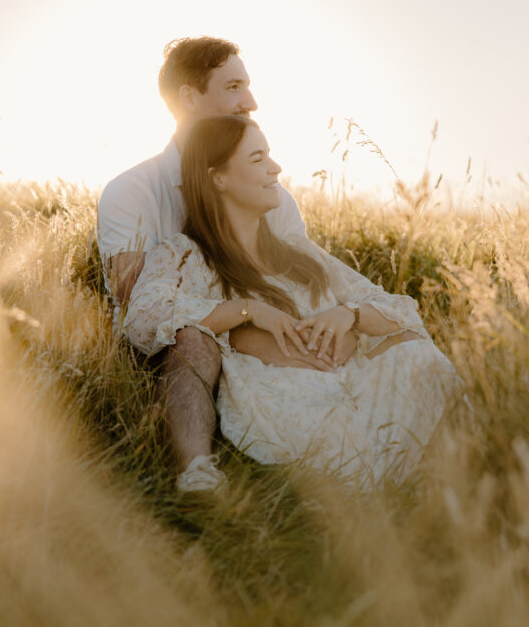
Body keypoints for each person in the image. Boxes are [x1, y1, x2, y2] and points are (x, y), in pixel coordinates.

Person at [123, 115, 462, 492]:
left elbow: (400, 311)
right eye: (257, 159)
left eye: (269, 155)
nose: (275, 168)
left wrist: (348, 315)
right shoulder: (186, 256)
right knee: (191, 339)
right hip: (287, 400)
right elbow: (144, 316)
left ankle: (440, 473)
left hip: (353, 379)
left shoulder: (298, 252)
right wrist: (247, 312)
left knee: (418, 351)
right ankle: (200, 477)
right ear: (218, 178)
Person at [97, 37, 358, 495]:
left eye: (247, 87)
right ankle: (197, 473)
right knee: (192, 338)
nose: (250, 103)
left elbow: (300, 282)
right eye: (234, 87)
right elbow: (138, 304)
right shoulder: (133, 191)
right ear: (189, 98)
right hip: (174, 348)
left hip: (268, 334)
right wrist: (238, 321)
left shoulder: (276, 199)